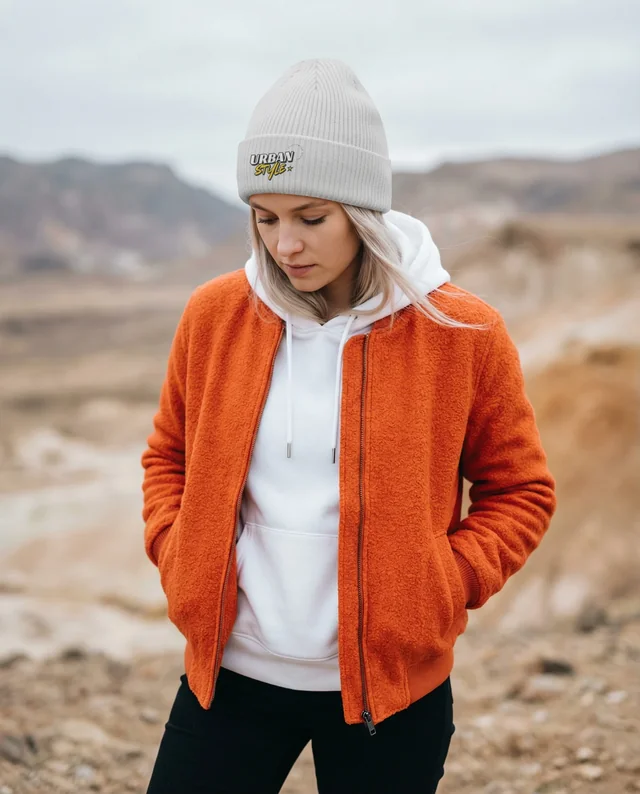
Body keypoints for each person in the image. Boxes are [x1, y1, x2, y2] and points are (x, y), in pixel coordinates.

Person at [141, 58, 557, 794]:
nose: (284, 245)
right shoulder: (214, 315)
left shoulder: (461, 332)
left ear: (361, 210)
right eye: (265, 218)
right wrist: (180, 556)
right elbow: (168, 455)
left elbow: (521, 490)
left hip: (391, 695)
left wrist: (439, 584)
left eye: (310, 217)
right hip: (230, 678)